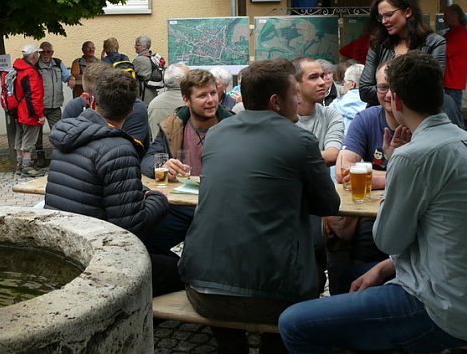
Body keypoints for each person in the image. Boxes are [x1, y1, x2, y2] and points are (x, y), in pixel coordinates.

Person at [280, 53, 467, 353]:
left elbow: (388, 240)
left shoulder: (414, 155)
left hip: (440, 310)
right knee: (352, 277)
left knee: (294, 323)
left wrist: (396, 164)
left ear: (396, 100)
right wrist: (383, 269)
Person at [179, 58, 340, 354]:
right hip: (273, 298)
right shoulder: (301, 140)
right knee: (315, 266)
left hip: (202, 287)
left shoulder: (217, 134)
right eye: (295, 93)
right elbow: (329, 203)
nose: (299, 100)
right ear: (276, 101)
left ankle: (233, 349)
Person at [44, 69, 179, 296]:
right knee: (183, 269)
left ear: (94, 101)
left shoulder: (67, 136)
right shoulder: (119, 148)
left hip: (64, 246)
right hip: (100, 259)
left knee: (162, 253)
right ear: (132, 109)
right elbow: (131, 227)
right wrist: (159, 199)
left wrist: (139, 191)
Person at [325, 64, 404, 295]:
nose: (389, 95)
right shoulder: (367, 118)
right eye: (383, 87)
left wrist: (373, 176)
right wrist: (396, 178)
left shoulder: (419, 121)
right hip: (369, 213)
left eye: (395, 88)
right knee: (342, 235)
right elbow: (343, 172)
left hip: (408, 212)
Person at [141, 69, 234, 256]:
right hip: (182, 205)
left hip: (222, 206)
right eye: (202, 95)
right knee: (147, 238)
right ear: (186, 100)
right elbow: (147, 160)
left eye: (213, 93)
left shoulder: (234, 126)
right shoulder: (173, 124)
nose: (211, 100)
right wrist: (163, 166)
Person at [359, 0, 446, 106]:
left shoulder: (434, 43)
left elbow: (432, 90)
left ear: (408, 12)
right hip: (381, 114)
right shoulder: (378, 44)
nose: (384, 21)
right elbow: (365, 90)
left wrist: (384, 90)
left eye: (389, 15)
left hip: (417, 115)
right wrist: (408, 92)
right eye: (381, 17)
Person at [62, 62, 151, 148]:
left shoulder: (131, 105)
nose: (111, 98)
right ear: (86, 98)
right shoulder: (74, 107)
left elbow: (127, 149)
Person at [292, 57, 345, 165]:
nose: (322, 82)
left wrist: (291, 159)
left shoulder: (330, 114)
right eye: (313, 77)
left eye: (322, 76)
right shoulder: (281, 116)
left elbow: (332, 155)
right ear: (295, 84)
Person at [34, 41, 75, 168]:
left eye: (48, 52)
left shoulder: (58, 63)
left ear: (52, 53)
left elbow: (67, 76)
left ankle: (59, 156)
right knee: (36, 134)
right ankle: (40, 155)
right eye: (43, 52)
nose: (46, 54)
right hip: (40, 105)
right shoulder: (35, 66)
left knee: (58, 132)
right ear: (39, 53)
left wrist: (71, 79)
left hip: (55, 105)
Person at [12, 44, 46, 177]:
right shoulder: (30, 72)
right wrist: (40, 115)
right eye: (37, 53)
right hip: (29, 111)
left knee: (19, 137)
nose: (39, 56)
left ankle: (19, 165)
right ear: (33, 56)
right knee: (29, 139)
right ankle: (27, 167)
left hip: (19, 109)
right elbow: (34, 96)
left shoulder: (18, 68)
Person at [147, 62, 189, 140]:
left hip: (159, 146)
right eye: (189, 76)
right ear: (183, 80)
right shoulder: (191, 102)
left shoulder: (154, 103)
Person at [442, 3, 467, 110]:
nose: (444, 18)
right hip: (448, 82)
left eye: (446, 15)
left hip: (452, 83)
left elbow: (443, 51)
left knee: (453, 114)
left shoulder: (460, 34)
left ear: (456, 16)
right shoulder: (451, 33)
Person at [330, 63, 367, 131]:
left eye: (344, 82)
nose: (343, 85)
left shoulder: (334, 106)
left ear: (352, 84)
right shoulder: (376, 106)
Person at [133, 35, 164, 102]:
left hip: (143, 94)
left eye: (137, 45)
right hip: (153, 92)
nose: (135, 47)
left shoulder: (139, 60)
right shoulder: (153, 58)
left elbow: (131, 74)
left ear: (144, 47)